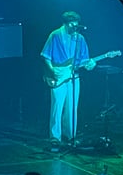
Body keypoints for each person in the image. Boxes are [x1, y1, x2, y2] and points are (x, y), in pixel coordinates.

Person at [40, 10, 96, 151]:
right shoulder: (55, 35)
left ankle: (70, 135)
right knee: (57, 107)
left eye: (76, 24)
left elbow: (84, 60)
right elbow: (45, 56)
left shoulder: (80, 39)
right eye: (71, 24)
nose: (74, 27)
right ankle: (55, 137)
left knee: (72, 107)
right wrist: (53, 71)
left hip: (74, 77)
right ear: (65, 23)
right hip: (58, 75)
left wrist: (90, 64)